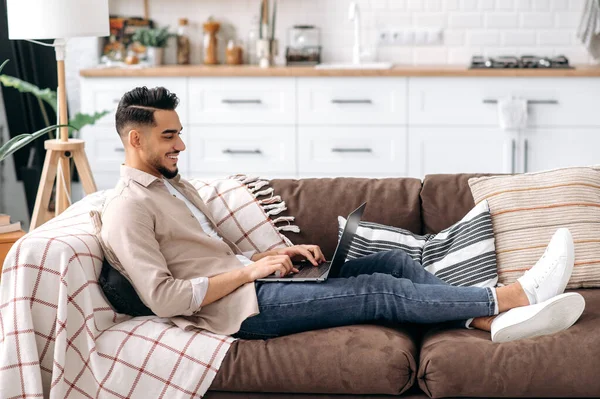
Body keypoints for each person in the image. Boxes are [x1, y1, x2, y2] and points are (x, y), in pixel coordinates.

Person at [100, 86, 585, 344]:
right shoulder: (129, 208)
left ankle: (482, 321)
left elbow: (208, 257)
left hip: (256, 281)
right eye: (169, 136)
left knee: (393, 263)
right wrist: (251, 270)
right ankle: (514, 296)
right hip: (241, 312)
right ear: (135, 140)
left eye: (180, 132)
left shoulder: (175, 187)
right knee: (381, 291)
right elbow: (164, 298)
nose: (181, 144)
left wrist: (271, 253)